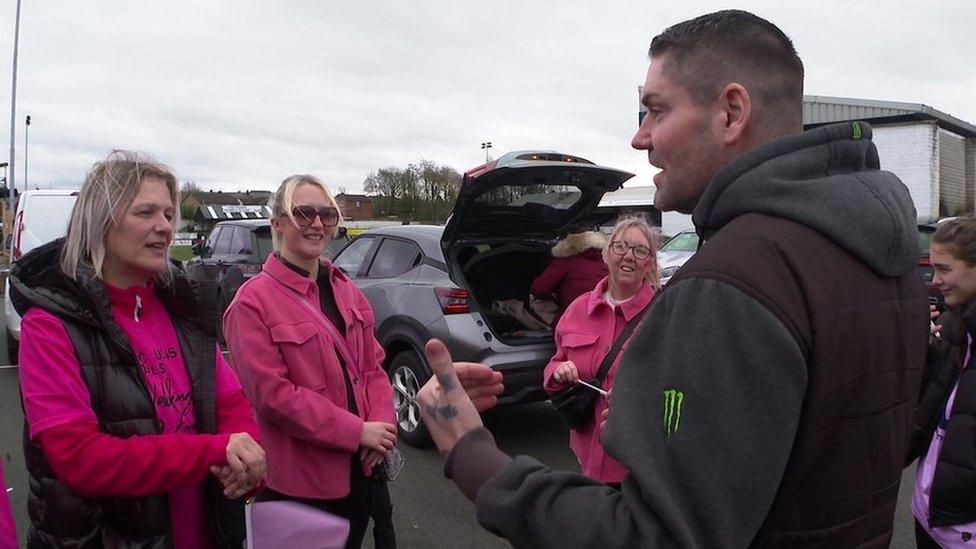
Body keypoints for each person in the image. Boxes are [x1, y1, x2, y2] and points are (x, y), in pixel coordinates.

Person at [415, 9, 929, 547]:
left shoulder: (734, 279)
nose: (640, 139)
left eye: (656, 111)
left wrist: (473, 454)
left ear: (731, 112)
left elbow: (652, 536)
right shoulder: (878, 256)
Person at [9, 150, 265, 548]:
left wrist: (245, 456)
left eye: (168, 214)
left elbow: (230, 402)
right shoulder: (51, 326)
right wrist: (213, 451)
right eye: (145, 212)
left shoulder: (180, 310)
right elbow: (80, 458)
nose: (163, 226)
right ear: (100, 223)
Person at [222, 174, 397, 549]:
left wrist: (381, 425)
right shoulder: (252, 303)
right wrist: (356, 431)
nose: (316, 224)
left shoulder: (345, 288)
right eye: (303, 213)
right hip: (303, 485)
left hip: (361, 473)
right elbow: (275, 396)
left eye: (326, 214)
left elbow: (372, 367)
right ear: (277, 224)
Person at [543, 215, 657, 486]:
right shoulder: (577, 309)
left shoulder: (662, 317)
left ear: (649, 263)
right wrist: (558, 372)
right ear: (606, 254)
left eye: (640, 250)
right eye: (620, 247)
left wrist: (639, 401)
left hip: (636, 468)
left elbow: (679, 387)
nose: (628, 256)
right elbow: (555, 363)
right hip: (585, 458)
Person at [908, 218, 976, 548]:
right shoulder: (954, 328)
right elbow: (926, 412)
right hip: (929, 515)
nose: (935, 281)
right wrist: (921, 353)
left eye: (944, 269)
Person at [530, 227, 609, 311]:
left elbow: (539, 288)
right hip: (604, 313)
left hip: (574, 315)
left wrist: (554, 294)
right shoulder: (606, 259)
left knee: (533, 303)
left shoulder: (565, 259)